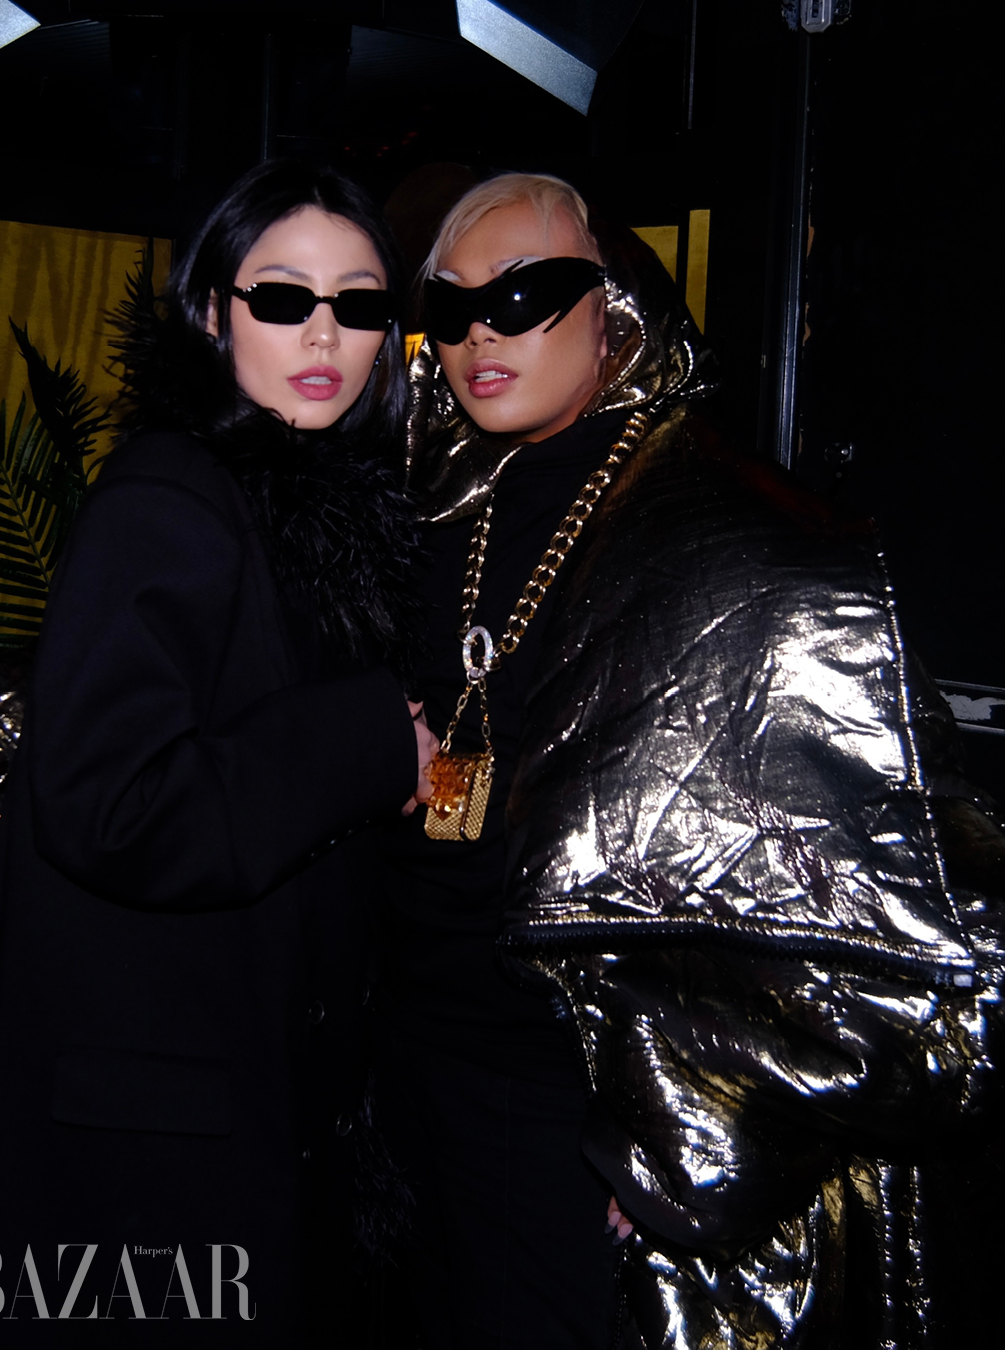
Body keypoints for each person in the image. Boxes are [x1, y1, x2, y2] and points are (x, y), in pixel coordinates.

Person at [375, 171, 1004, 1349]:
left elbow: (906, 927)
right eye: (449, 308)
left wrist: (710, 1134)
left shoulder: (729, 534)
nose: (479, 335)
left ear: (611, 304)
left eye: (523, 295)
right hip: (405, 1079)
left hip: (563, 1107)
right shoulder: (429, 506)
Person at [0, 159, 439, 1346]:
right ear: (213, 313)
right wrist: (367, 739)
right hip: (143, 1142)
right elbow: (112, 804)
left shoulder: (307, 512)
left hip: (227, 1100)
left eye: (359, 303)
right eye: (284, 297)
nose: (325, 333)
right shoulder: (171, 495)